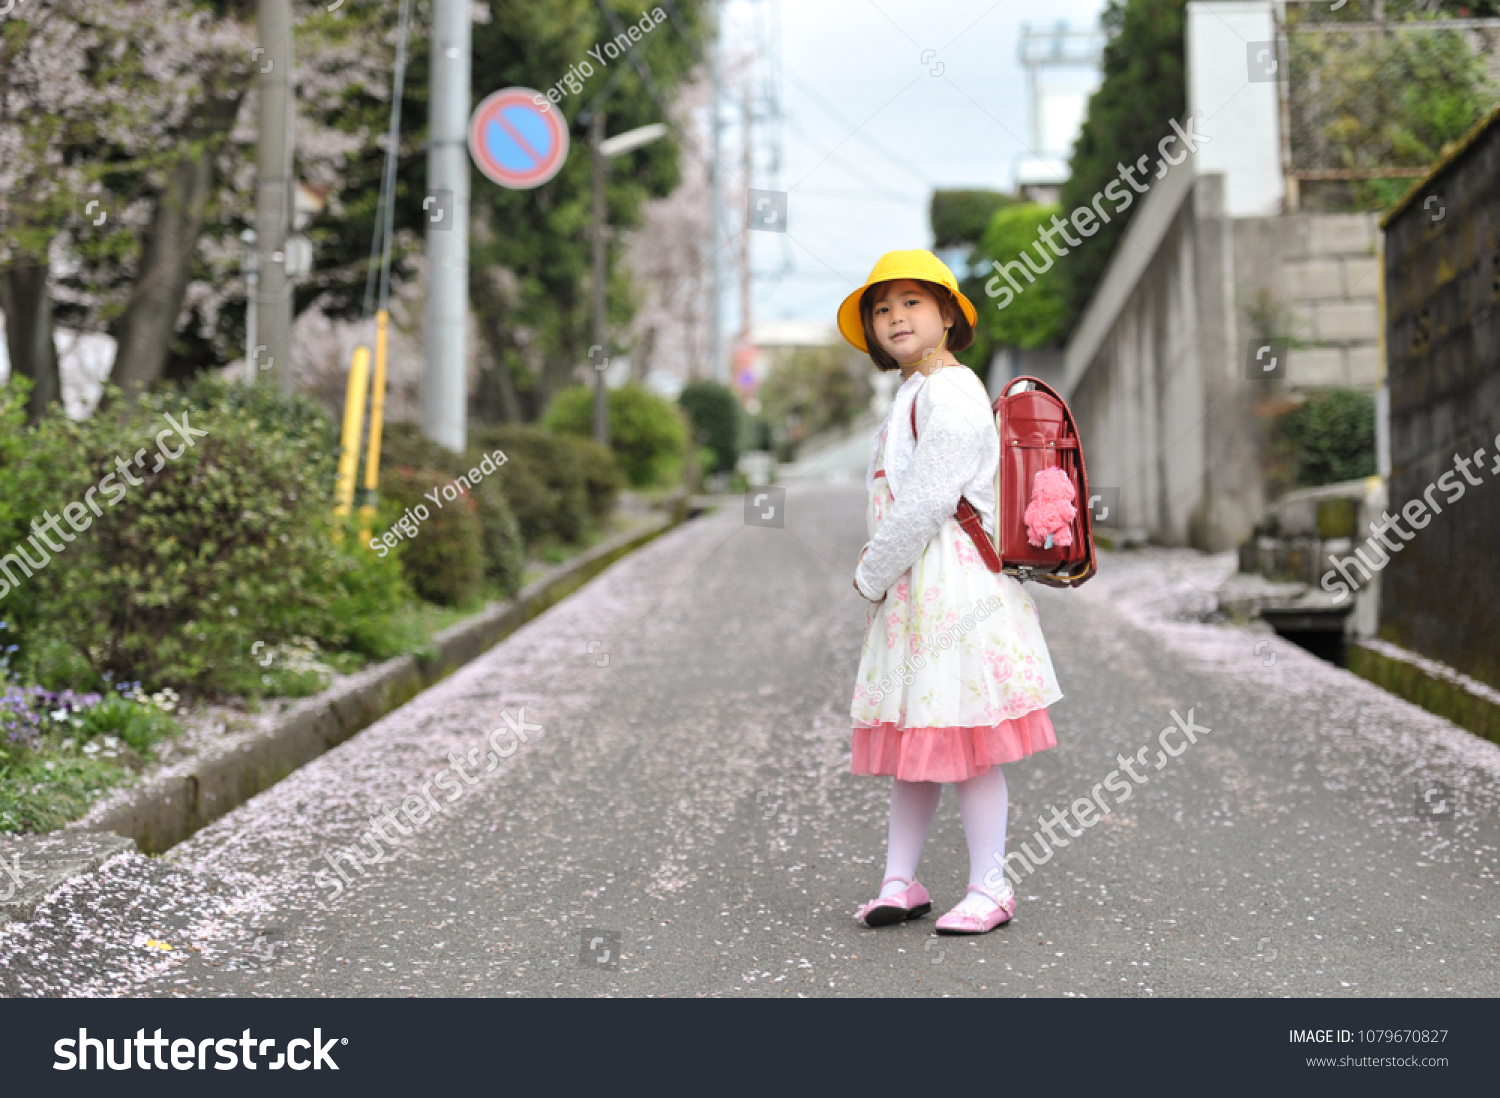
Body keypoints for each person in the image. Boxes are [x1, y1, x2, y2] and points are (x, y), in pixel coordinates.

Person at [839, 250, 1063, 934]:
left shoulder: (951, 389)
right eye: (882, 308)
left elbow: (930, 496)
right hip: (920, 590)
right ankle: (899, 881)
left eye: (912, 302)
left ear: (947, 315)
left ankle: (991, 885)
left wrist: (871, 573)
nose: (895, 317)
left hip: (953, 591)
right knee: (920, 736)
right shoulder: (913, 390)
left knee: (966, 738)